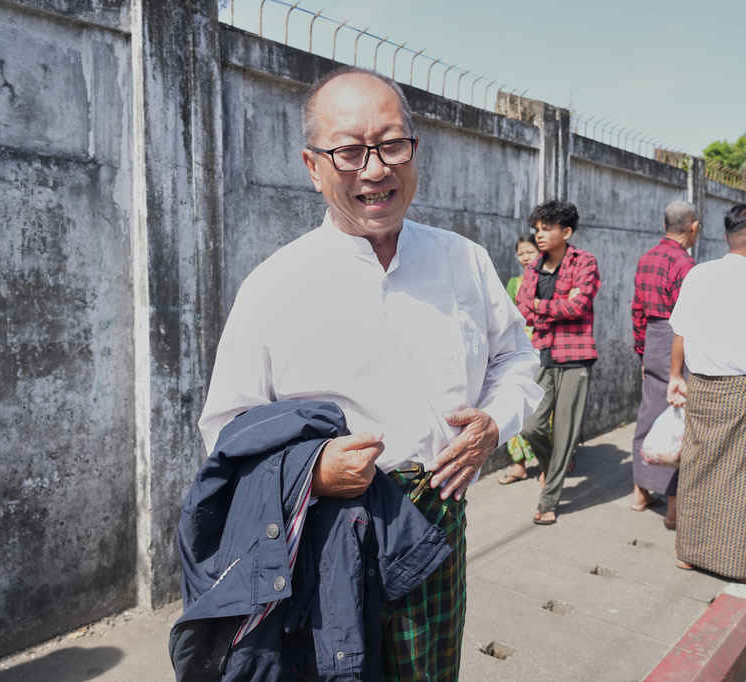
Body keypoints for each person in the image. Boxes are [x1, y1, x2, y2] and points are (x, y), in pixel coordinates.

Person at [198, 66, 543, 680]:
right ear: (313, 166)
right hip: (324, 537)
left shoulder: (463, 260)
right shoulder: (275, 285)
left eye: (391, 145)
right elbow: (226, 430)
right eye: (350, 151)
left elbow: (517, 358)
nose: (376, 169)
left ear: (415, 151)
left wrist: (495, 421)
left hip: (435, 517)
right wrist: (313, 473)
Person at [666, 203, 746, 582]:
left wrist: (675, 376)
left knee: (697, 471)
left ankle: (688, 552)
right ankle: (740, 563)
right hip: (742, 391)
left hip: (701, 385)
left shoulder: (699, 274)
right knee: (744, 477)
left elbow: (680, 332)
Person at [516, 199, 601, 525]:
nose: (539, 235)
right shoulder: (534, 266)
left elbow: (578, 307)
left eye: (547, 228)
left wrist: (541, 305)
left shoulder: (585, 262)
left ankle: (549, 499)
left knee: (565, 432)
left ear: (566, 231)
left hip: (576, 358)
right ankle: (555, 465)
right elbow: (522, 307)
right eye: (537, 229)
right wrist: (555, 303)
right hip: (542, 353)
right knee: (529, 425)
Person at [629, 200, 699, 530]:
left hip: (652, 340)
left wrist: (642, 351)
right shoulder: (686, 264)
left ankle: (640, 493)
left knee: (648, 414)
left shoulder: (647, 258)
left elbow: (637, 310)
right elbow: (689, 317)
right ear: (693, 227)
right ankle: (673, 510)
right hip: (677, 341)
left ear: (664, 225)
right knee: (679, 421)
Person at [499, 234, 540, 485]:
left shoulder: (549, 279)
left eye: (530, 252)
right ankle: (519, 464)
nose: (525, 258)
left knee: (545, 412)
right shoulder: (514, 283)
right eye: (521, 253)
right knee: (514, 405)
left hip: (546, 351)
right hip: (519, 352)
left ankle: (551, 463)